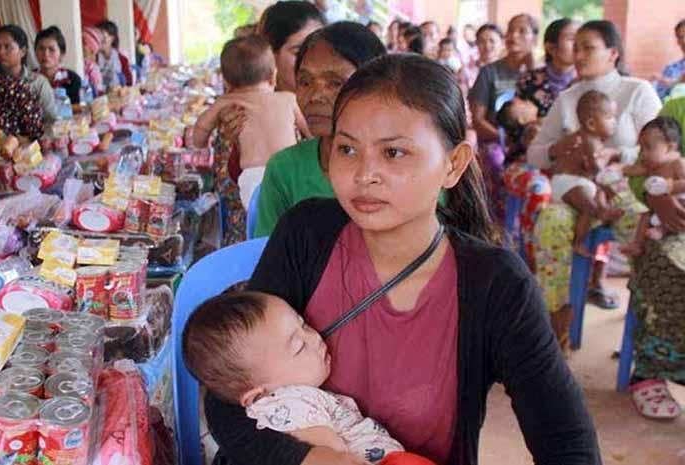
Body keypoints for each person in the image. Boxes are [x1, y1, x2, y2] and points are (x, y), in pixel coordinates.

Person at [205, 54, 601, 465]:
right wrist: (320, 460)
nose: (364, 174)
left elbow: (566, 440)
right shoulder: (305, 234)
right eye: (347, 149)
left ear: (453, 164)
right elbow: (229, 393)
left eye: (394, 153)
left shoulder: (495, 284)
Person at [184, 291, 435, 465]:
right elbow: (333, 457)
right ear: (257, 394)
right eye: (298, 347)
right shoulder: (291, 403)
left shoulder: (292, 393)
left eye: (304, 325)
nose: (314, 338)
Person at [529, 20, 661, 348]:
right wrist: (556, 149)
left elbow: (664, 147)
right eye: (576, 47)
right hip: (576, 193)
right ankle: (554, 323)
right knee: (550, 221)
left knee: (648, 234)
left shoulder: (636, 91)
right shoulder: (567, 99)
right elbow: (535, 155)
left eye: (588, 47)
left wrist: (619, 152)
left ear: (613, 53)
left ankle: (649, 330)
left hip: (624, 194)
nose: (578, 53)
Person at [253, 22, 386, 238]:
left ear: (377, 86)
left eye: (335, 83)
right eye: (305, 82)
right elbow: (267, 258)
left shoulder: (405, 168)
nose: (314, 96)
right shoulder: (284, 169)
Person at [214, 1, 327, 245]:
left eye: (321, 52)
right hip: (259, 250)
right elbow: (228, 193)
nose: (311, 63)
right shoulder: (238, 110)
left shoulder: (334, 111)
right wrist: (236, 148)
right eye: (298, 51)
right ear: (271, 56)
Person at [192, 36, 311, 208]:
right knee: (289, 219)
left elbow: (201, 128)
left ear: (226, 82)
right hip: (289, 171)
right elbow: (310, 132)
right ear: (273, 76)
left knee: (260, 222)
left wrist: (200, 143)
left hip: (253, 177)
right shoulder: (289, 99)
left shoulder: (226, 102)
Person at [502, 18, 579, 268]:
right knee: (539, 189)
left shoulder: (583, 84)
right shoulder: (530, 81)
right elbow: (518, 127)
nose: (578, 45)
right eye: (571, 38)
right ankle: (529, 260)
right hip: (528, 161)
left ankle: (587, 272)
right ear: (551, 47)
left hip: (570, 164)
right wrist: (536, 129)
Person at [626, 103, 685, 420]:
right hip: (667, 231)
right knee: (672, 269)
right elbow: (641, 173)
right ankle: (653, 368)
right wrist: (660, 198)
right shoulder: (677, 107)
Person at [469, 13, 538, 219]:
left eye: (522, 31)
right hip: (496, 141)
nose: (513, 36)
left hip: (532, 144)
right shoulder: (490, 73)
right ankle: (500, 226)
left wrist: (532, 66)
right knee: (498, 161)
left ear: (534, 38)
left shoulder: (540, 75)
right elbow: (478, 121)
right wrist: (505, 139)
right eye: (510, 30)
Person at [550, 91, 622, 257]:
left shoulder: (594, 140)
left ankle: (603, 210)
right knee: (588, 207)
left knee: (602, 191)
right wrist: (610, 162)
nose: (614, 122)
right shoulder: (588, 140)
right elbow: (596, 169)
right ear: (591, 123)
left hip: (581, 182)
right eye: (610, 118)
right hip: (567, 182)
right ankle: (578, 243)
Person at [622, 117, 685, 256]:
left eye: (648, 147)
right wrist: (617, 171)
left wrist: (669, 186)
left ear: (669, 147)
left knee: (680, 203)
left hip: (681, 207)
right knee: (645, 215)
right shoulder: (652, 166)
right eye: (641, 148)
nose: (643, 154)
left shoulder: (678, 163)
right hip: (659, 211)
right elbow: (632, 169)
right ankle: (636, 245)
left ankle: (662, 230)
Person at [256, 1, 327, 93]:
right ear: (270, 56)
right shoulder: (246, 105)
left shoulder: (341, 104)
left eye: (322, 52)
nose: (315, 63)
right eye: (298, 53)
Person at [0, 25, 56, 124]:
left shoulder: (38, 83)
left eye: (7, 47)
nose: (1, 52)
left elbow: (51, 121)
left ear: (23, 51)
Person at [35, 26, 83, 106]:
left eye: (51, 49)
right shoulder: (30, 80)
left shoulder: (72, 79)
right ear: (35, 52)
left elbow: (78, 109)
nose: (45, 54)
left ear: (62, 54)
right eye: (41, 48)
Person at [653, 19, 685, 100]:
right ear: (677, 41)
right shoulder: (671, 69)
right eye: (680, 37)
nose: (684, 41)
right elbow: (657, 97)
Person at [96, 20, 126, 89]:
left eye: (103, 37)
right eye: (97, 36)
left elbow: (128, 82)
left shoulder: (122, 59)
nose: (99, 40)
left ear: (112, 38)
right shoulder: (93, 57)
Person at [82, 26, 105, 96]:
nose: (81, 45)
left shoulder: (93, 69)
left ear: (92, 50)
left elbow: (98, 92)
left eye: (84, 43)